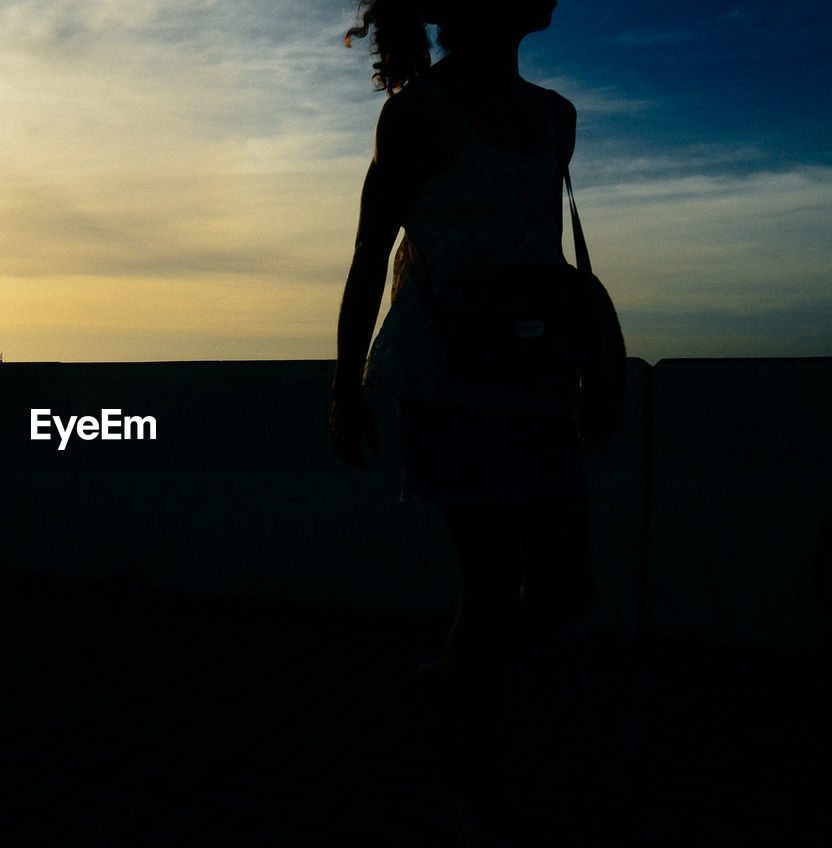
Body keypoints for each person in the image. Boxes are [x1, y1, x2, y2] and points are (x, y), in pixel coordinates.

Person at [331, 1, 620, 842]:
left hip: (536, 374)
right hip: (447, 372)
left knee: (566, 586)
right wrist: (344, 388)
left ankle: (451, 682)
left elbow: (550, 260)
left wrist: (604, 362)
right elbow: (368, 253)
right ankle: (476, 779)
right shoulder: (419, 110)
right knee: (491, 591)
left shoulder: (555, 115)